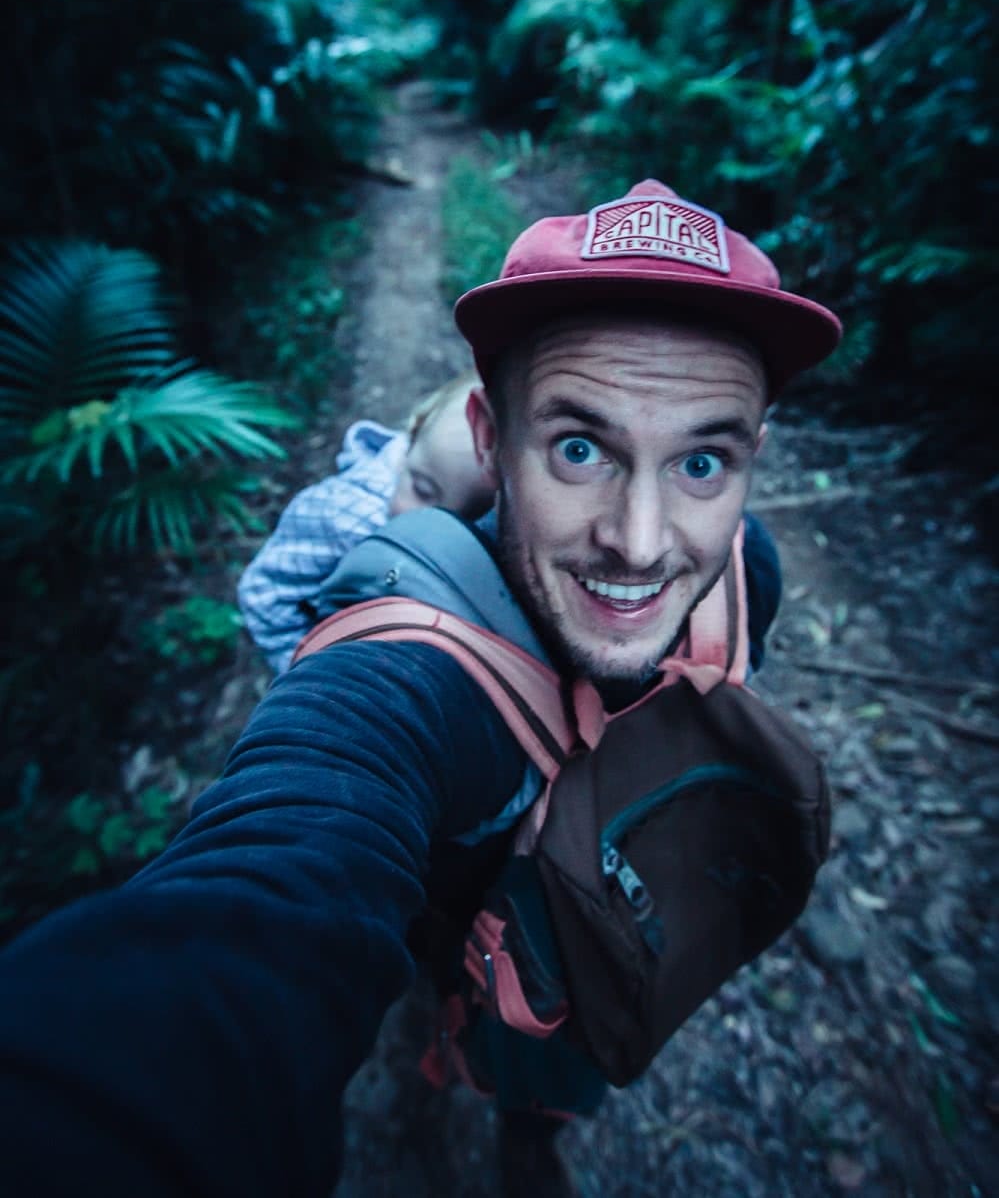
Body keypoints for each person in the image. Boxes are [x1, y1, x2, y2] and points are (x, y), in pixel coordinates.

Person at [0, 179, 841, 1198]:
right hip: (466, 930)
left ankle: (533, 1131)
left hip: (598, 932)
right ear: (490, 438)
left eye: (703, 460)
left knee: (562, 1038)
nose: (643, 540)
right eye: (580, 448)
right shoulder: (408, 665)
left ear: (752, 462)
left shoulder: (749, 564)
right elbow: (263, 894)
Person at [237, 371, 494, 672]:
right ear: (412, 437)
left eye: (473, 518)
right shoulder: (345, 518)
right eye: (422, 491)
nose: (433, 527)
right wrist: (303, 665)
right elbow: (262, 593)